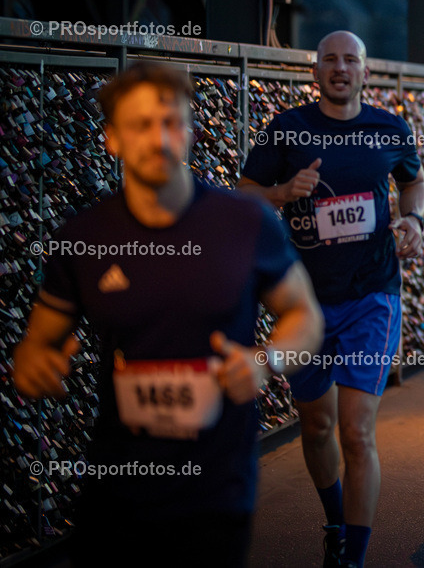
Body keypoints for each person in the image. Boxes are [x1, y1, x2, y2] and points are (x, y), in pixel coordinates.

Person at [11, 62, 323, 566]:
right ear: (112, 139)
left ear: (190, 132)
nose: (159, 138)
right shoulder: (83, 238)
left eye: (171, 122)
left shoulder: (244, 222)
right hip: (117, 487)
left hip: (217, 487)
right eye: (141, 125)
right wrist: (33, 364)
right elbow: (36, 345)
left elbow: (305, 317)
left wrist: (266, 362)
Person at [238, 31, 424, 567]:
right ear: (315, 71)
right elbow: (244, 194)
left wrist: (412, 217)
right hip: (304, 305)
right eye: (330, 60)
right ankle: (335, 521)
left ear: (366, 71)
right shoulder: (288, 129)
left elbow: (414, 183)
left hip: (372, 294)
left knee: (356, 430)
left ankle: (354, 557)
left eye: (351, 60)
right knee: (317, 424)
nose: (340, 68)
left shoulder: (390, 127)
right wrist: (281, 193)